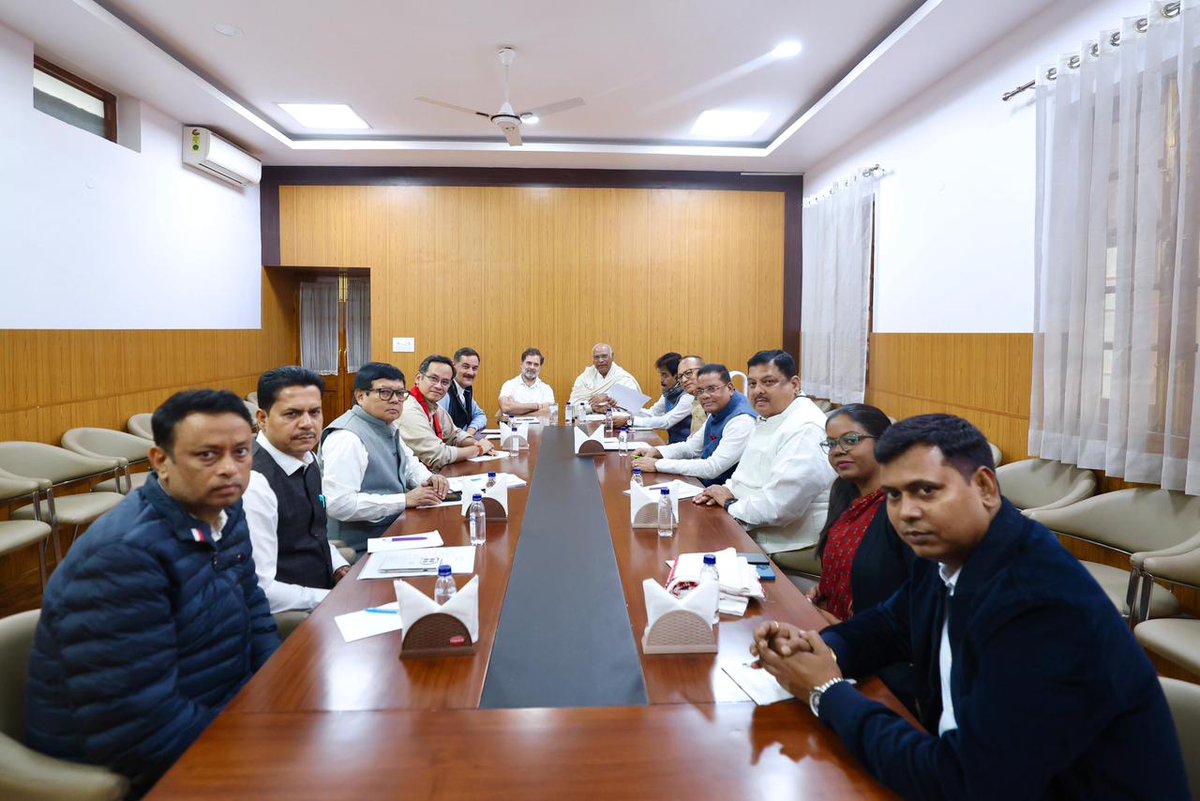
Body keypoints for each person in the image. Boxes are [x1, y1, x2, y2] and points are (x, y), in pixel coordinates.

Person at [751, 415, 1190, 801]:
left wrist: (828, 693)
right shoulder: (951, 547)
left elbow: (964, 782)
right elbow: (890, 624)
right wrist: (820, 649)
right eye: (894, 495)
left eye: (925, 491)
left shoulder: (1039, 605)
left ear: (984, 486)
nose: (906, 513)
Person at [25, 390, 280, 796]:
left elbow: (255, 610)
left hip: (218, 714)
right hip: (135, 760)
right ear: (161, 461)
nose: (230, 470)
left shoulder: (226, 512)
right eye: (208, 456)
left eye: (242, 452)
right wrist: (258, 742)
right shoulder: (124, 555)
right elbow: (137, 722)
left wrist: (282, 699)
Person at [694, 350, 834, 554]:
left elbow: (779, 507)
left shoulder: (805, 428)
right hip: (749, 519)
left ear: (795, 385)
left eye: (768, 382)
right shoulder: (772, 415)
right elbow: (745, 475)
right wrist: (723, 491)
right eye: (752, 384)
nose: (757, 391)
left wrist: (729, 504)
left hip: (788, 541)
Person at [243, 366, 350, 614]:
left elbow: (314, 534)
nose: (307, 424)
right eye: (292, 414)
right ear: (262, 419)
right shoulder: (253, 483)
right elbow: (261, 589)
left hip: (322, 598)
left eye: (315, 413)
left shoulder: (308, 460)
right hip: (292, 617)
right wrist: (331, 598)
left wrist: (338, 568)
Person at [321, 362, 449, 554]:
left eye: (399, 394)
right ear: (361, 396)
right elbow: (340, 504)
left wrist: (429, 479)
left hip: (392, 531)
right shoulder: (347, 437)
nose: (395, 400)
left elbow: (409, 463)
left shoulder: (387, 425)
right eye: (385, 393)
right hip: (359, 549)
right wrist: (404, 500)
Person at [810, 404, 913, 625]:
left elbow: (900, 591)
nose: (838, 451)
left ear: (885, 442)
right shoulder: (843, 489)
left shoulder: (901, 507)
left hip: (871, 639)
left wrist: (843, 632)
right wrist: (823, 590)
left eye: (851, 440)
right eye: (831, 444)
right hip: (827, 621)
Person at [632, 363, 755, 486]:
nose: (705, 396)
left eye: (712, 389)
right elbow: (692, 447)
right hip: (708, 486)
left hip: (726, 493)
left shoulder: (742, 420)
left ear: (730, 388)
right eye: (700, 391)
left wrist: (657, 464)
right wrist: (657, 451)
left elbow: (712, 468)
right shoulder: (718, 408)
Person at [399, 354, 495, 470]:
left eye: (445, 382)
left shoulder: (435, 407)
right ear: (418, 378)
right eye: (433, 379)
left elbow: (455, 435)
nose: (439, 386)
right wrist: (479, 449)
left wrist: (475, 442)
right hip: (413, 483)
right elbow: (438, 455)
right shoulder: (409, 409)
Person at [633, 352, 694, 444]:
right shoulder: (669, 393)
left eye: (665, 375)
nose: (661, 380)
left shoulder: (688, 397)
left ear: (677, 376)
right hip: (673, 445)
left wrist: (631, 420)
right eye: (661, 375)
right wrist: (627, 411)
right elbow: (653, 413)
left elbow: (666, 422)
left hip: (686, 448)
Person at [567, 342, 642, 412]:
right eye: (596, 357)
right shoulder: (584, 378)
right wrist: (592, 408)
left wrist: (608, 404)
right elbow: (572, 407)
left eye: (604, 356)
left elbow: (633, 408)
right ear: (593, 360)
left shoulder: (623, 378)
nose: (600, 360)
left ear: (612, 356)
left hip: (615, 423)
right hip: (588, 423)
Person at [438, 347, 487, 436]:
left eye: (475, 368)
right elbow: (440, 429)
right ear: (453, 366)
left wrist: (470, 431)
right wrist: (466, 438)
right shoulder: (444, 392)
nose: (471, 372)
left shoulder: (466, 390)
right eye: (465, 367)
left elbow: (480, 416)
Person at [498, 347, 555, 416]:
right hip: (514, 427)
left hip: (539, 427)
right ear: (521, 364)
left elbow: (548, 413)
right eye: (529, 363)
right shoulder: (509, 385)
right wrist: (537, 406)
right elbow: (505, 407)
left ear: (540, 368)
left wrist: (516, 409)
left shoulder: (546, 389)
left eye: (536, 364)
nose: (532, 367)